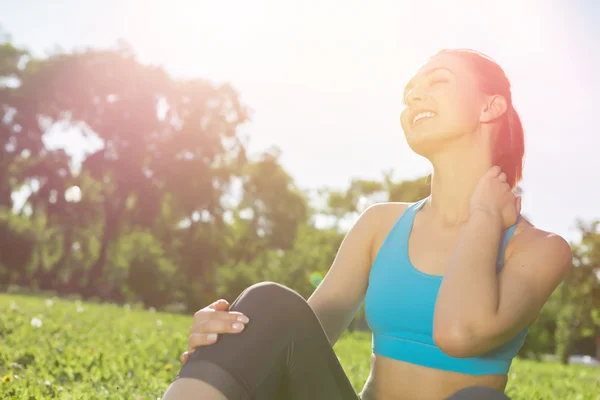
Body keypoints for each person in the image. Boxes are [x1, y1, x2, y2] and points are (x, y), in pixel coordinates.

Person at [161, 49, 573, 400]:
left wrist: (484, 217)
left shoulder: (540, 249)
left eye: (438, 81)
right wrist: (234, 338)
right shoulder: (380, 224)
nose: (413, 95)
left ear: (490, 106)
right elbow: (298, 332)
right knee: (268, 304)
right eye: (409, 90)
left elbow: (458, 332)